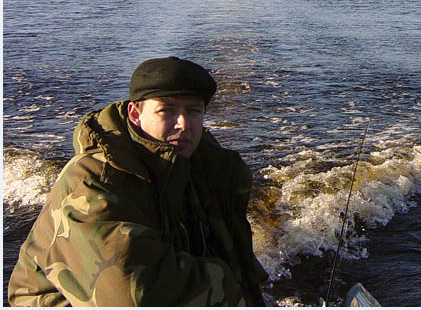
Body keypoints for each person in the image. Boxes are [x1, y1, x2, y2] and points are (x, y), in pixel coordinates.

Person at [7, 57, 268, 306]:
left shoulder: (205, 168)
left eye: (193, 111)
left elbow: (236, 262)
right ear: (135, 113)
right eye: (166, 110)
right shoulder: (93, 181)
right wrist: (229, 291)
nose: (183, 124)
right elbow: (130, 294)